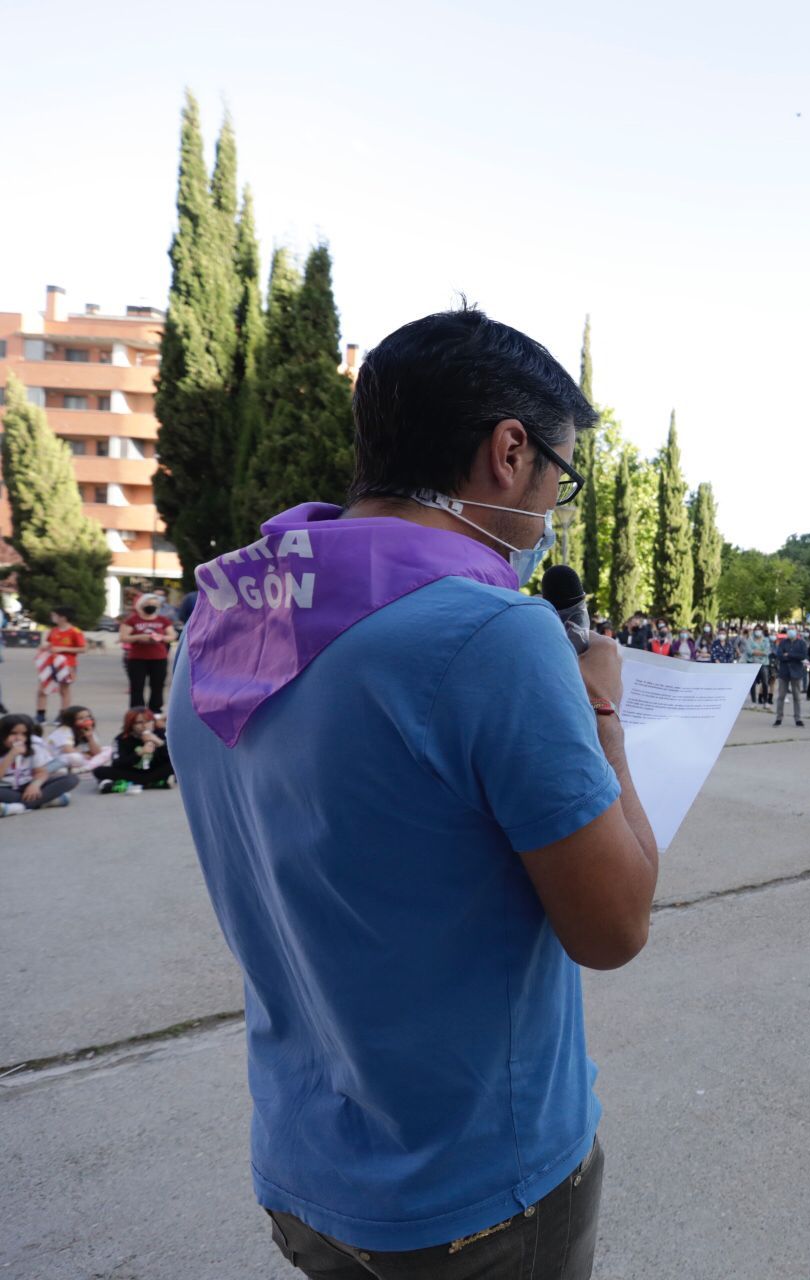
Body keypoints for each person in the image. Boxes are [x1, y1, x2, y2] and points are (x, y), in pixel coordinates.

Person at [168, 307, 661, 1275]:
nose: (554, 504)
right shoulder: (492, 638)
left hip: (308, 1165)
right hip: (477, 1192)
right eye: (561, 472)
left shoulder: (225, 616)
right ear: (508, 451)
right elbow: (616, 926)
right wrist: (600, 708)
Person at [0, 713, 80, 815]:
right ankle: (43, 802)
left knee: (71, 779)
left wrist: (35, 785)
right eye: (13, 733)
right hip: (5, 787)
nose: (19, 738)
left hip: (26, 783)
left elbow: (41, 772)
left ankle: (15, 807)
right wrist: (11, 756)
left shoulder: (33, 745)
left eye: (24, 734)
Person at [94, 706, 175, 793]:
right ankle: (153, 783)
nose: (145, 725)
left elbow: (173, 758)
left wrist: (159, 742)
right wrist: (139, 753)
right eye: (139, 722)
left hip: (154, 770)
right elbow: (117, 763)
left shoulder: (160, 733)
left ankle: (127, 784)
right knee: (99, 771)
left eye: (148, 721)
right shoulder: (121, 739)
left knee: (174, 767)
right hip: (133, 772)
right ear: (131, 724)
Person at [120, 592, 176, 713]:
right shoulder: (132, 620)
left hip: (159, 658)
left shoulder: (163, 620)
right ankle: (137, 711)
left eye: (154, 604)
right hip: (137, 659)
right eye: (148, 603)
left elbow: (172, 636)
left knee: (157, 686)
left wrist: (160, 637)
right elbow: (123, 637)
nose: (151, 606)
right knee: (137, 686)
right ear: (141, 604)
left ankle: (155, 710)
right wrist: (139, 637)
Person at [33, 605, 87, 724]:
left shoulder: (75, 631)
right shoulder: (54, 630)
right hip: (50, 664)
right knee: (42, 689)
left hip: (67, 665)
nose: (52, 617)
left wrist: (62, 649)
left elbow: (83, 649)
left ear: (63, 617)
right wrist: (44, 647)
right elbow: (49, 644)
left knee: (64, 690)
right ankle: (40, 715)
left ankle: (64, 715)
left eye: (54, 615)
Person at [48, 705, 110, 775]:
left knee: (109, 749)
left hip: (82, 759)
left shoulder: (88, 729)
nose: (86, 720)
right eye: (81, 718)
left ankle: (83, 768)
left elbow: (97, 752)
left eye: (88, 717)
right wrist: (83, 754)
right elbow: (67, 750)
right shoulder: (64, 730)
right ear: (71, 720)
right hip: (59, 758)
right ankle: (88, 766)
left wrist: (90, 737)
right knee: (74, 757)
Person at [771, 626, 808, 727]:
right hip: (784, 673)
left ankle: (798, 719)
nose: (791, 631)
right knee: (781, 697)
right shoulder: (783, 642)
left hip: (796, 673)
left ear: (796, 631)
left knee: (797, 697)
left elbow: (803, 656)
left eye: (793, 629)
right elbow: (779, 655)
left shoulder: (802, 643)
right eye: (789, 629)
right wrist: (789, 656)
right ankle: (778, 718)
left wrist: (789, 654)